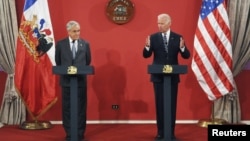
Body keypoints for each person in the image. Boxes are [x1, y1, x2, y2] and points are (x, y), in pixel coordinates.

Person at [143, 13, 190, 140]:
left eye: (162, 23)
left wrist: (182, 48)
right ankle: (160, 132)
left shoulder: (178, 38)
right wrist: (147, 46)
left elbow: (186, 56)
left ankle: (171, 133)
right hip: (158, 77)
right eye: (158, 23)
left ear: (169, 23)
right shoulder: (153, 38)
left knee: (171, 105)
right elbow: (146, 55)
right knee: (160, 105)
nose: (159, 26)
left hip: (173, 78)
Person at [55, 20, 91, 141]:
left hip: (80, 82)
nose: (77, 33)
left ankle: (80, 133)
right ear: (68, 31)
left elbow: (88, 61)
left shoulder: (85, 44)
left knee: (80, 108)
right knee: (67, 108)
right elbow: (58, 62)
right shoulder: (60, 44)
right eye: (74, 31)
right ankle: (69, 133)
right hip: (66, 82)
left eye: (78, 30)